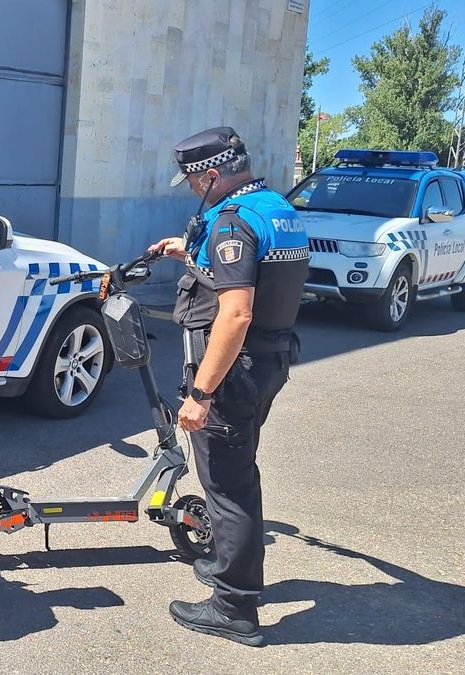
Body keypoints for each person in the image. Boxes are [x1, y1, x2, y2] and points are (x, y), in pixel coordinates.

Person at [148, 127, 309, 646]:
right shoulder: (275, 209)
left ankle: (233, 607)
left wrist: (200, 395)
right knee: (237, 470)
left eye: (194, 182)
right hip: (269, 361)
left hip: (231, 374)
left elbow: (235, 313)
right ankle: (226, 563)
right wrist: (189, 254)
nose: (194, 191)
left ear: (212, 174)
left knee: (227, 484)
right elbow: (253, 278)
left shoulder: (231, 225)